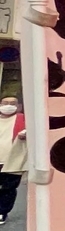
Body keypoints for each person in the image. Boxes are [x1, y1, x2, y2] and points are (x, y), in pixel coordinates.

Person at [0, 95, 27, 224]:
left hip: (13, 160)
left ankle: (2, 211)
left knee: (8, 188)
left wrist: (26, 133)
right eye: (5, 103)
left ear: (19, 106)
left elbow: (36, 131)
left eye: (12, 103)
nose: (8, 106)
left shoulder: (24, 120)